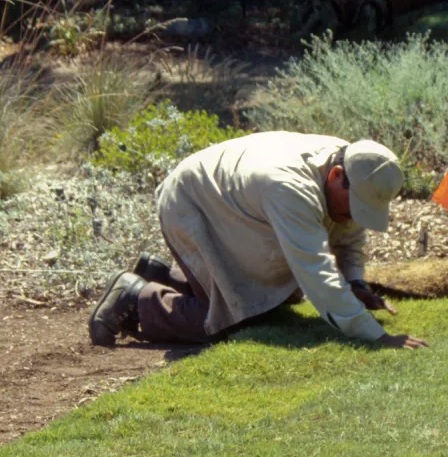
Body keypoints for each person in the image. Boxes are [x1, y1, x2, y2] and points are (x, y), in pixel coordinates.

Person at [88, 131, 429, 350]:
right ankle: (134, 298)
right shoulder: (290, 188)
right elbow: (315, 270)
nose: (355, 217)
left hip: (231, 206)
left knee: (267, 302)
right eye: (355, 207)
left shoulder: (349, 165)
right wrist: (375, 335)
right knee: (226, 324)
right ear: (338, 176)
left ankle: (162, 274)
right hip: (193, 205)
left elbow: (349, 236)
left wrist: (355, 282)